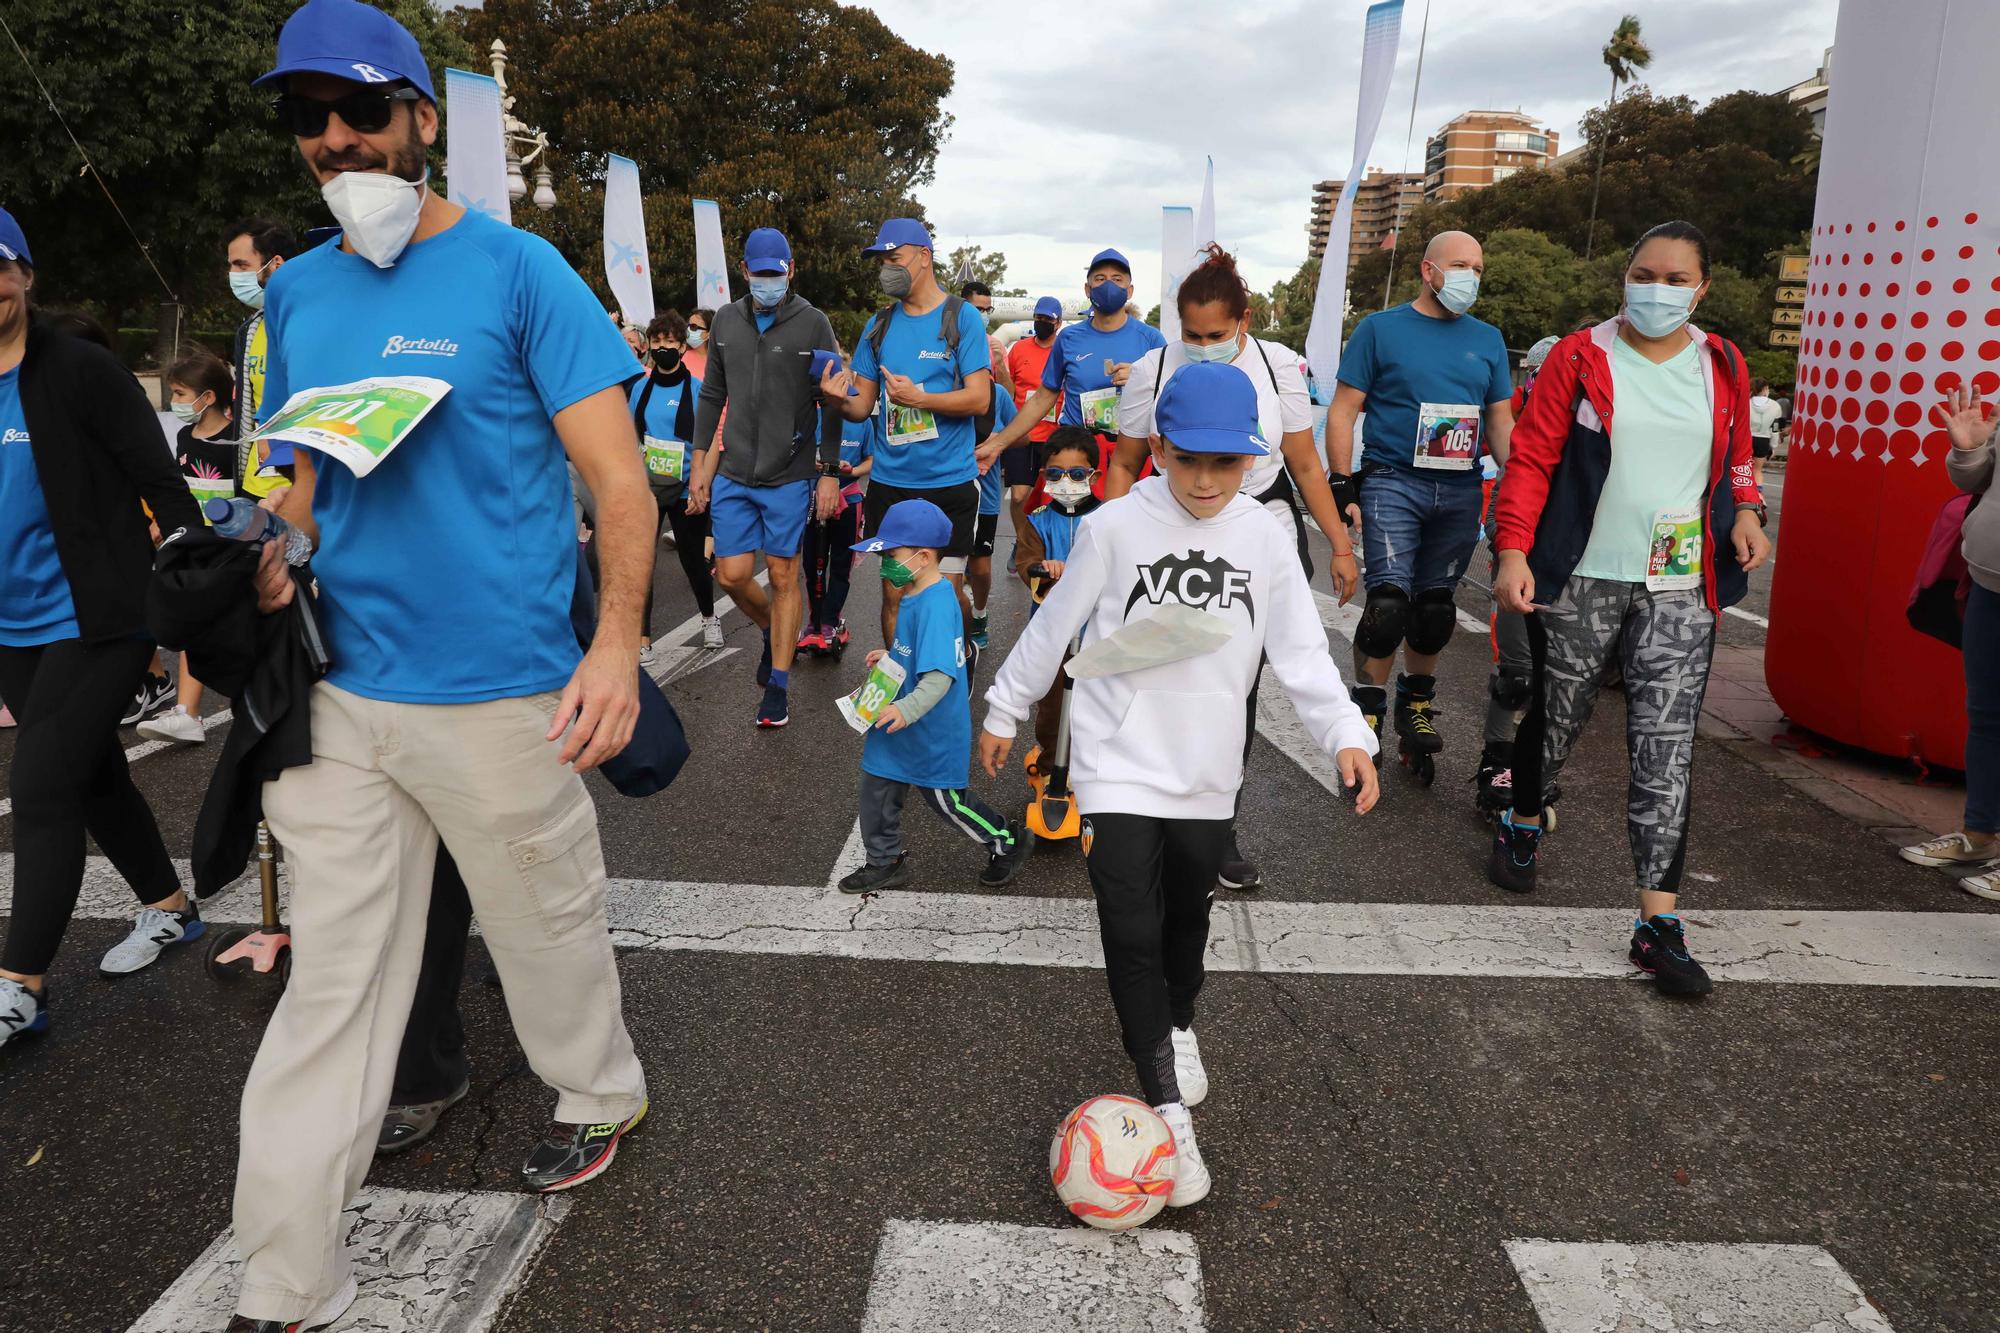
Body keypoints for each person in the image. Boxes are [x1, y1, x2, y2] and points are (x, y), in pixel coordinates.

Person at [230, 5, 652, 1327]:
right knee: (335, 982)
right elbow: (301, 486)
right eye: (310, 118)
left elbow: (617, 482)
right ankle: (284, 1281)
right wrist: (261, 550)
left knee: (545, 930)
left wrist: (621, 645)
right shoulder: (296, 292)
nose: (336, 141)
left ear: (422, 116)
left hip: (504, 691)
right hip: (343, 692)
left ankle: (598, 1087)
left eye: (361, 112)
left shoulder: (525, 272)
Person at [978, 361, 1380, 1207]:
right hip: (1116, 765)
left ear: (1254, 460)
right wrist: (1005, 707)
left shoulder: (1266, 538)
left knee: (1182, 927)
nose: (1204, 478)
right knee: (1129, 931)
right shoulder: (1116, 526)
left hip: (1205, 773)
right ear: (1157, 446)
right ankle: (1166, 1109)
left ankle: (1180, 1022)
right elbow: (1056, 625)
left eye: (1224, 463)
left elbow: (1303, 652)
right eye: (1187, 457)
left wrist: (1347, 732)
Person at [1488, 220, 1771, 998]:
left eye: (1678, 279)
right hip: (1582, 578)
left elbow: (1741, 452)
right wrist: (1513, 550)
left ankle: (1658, 923)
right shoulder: (1582, 355)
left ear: (1703, 287)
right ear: (1624, 278)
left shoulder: (1723, 361)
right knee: (1559, 713)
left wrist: (1748, 512)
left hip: (1681, 586)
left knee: (1666, 746)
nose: (1659, 289)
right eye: (1645, 273)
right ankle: (1521, 817)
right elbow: (1535, 457)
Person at [0, 205, 206, 1037]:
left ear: (23, 275)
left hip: (100, 615)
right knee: (90, 776)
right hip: (12, 624)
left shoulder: (79, 369)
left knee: (42, 785)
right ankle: (169, 905)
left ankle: (20, 987)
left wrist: (187, 588)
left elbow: (162, 482)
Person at [1105, 243, 1358, 892]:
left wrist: (1339, 542)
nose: (1203, 344)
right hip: (1171, 540)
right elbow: (1126, 463)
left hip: (1257, 538)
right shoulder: (1153, 369)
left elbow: (1303, 464)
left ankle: (1215, 825)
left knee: (1233, 691)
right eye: (1192, 334)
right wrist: (1103, 546)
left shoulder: (1277, 369)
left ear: (1244, 320)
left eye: (1217, 334)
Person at [1324, 230, 1516, 768]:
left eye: (1478, 268)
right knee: (1388, 606)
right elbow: (1342, 410)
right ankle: (1367, 710)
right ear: (1428, 271)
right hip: (1394, 480)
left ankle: (1417, 704)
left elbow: (1500, 420)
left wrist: (1521, 478)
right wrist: (1343, 483)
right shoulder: (1380, 329)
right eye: (1459, 266)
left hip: (1459, 485)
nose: (1470, 278)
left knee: (1434, 609)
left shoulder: (1489, 339)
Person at [686, 227, 844, 729]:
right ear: (745, 270)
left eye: (777, 274)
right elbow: (711, 395)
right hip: (734, 470)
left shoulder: (814, 323)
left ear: (791, 270)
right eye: (761, 274)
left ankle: (777, 686)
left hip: (790, 474)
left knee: (782, 577)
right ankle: (772, 631)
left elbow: (833, 400)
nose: (769, 282)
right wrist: (698, 462)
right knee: (731, 575)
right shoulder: (728, 320)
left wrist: (829, 471)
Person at [839, 498, 1034, 895]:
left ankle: (1006, 841)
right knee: (875, 792)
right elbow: (916, 652)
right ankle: (884, 861)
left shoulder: (939, 605)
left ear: (923, 556)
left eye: (891, 554)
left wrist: (905, 708)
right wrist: (891, 656)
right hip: (897, 725)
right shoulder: (916, 593)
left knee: (948, 802)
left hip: (927, 728)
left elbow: (940, 677)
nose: (885, 563)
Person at [824, 218, 993, 645]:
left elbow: (979, 399)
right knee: (894, 593)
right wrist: (832, 397)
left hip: (948, 485)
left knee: (944, 593)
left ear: (923, 257)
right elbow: (861, 407)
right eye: (881, 261)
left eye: (893, 259)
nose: (886, 270)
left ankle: (952, 673)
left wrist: (921, 400)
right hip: (891, 486)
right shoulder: (878, 325)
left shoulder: (962, 317)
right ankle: (901, 686)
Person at [1898, 386, 1999, 898]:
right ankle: (1980, 836)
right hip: (1989, 582)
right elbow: (1977, 480)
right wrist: (1970, 449)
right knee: (1985, 716)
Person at [984, 249, 1167, 495]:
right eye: (1100, 279)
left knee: (1117, 526)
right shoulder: (1069, 338)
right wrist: (998, 443)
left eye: (1117, 279)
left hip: (1129, 453)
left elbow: (1167, 398)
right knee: (1066, 526)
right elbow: (1043, 397)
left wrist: (1141, 377)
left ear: (1130, 290)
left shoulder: (1151, 339)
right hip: (1076, 452)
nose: (1108, 285)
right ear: (1088, 289)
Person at [1476, 332, 1563, 818]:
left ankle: (1538, 770)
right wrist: (1513, 551)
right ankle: (1496, 765)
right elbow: (1497, 515)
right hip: (1524, 574)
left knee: (1561, 686)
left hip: (1576, 580)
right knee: (1517, 680)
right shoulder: (1527, 438)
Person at [138, 351, 242, 745]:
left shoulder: (236, 443)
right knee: (196, 625)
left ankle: (222, 707)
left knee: (228, 629)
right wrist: (159, 528)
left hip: (228, 550)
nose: (175, 402)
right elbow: (179, 492)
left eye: (181, 394)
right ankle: (188, 713)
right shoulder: (184, 437)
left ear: (209, 397)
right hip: (195, 549)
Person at [1010, 427, 1101, 767]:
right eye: (1055, 474)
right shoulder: (1038, 522)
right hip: (1053, 631)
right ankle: (1050, 765)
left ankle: (1090, 762)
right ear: (1044, 476)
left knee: (1096, 699)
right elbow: (1026, 561)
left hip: (1097, 629)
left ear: (1094, 474)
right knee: (1052, 703)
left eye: (1076, 474)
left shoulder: (1107, 519)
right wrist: (1041, 568)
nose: (1066, 481)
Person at [630, 311, 720, 651]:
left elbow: (710, 442)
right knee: (642, 564)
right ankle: (643, 639)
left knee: (693, 562)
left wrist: (702, 485)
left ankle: (710, 618)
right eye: (657, 342)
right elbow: (630, 436)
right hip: (648, 491)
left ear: (683, 347)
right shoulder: (640, 388)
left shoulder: (699, 390)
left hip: (686, 488)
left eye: (670, 341)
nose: (663, 347)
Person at [225, 217, 297, 505]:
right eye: (231, 266)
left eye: (241, 265)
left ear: (276, 264)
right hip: (255, 485)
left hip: (299, 486)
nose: (232, 274)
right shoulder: (250, 330)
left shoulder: (307, 323)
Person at [800, 411, 873, 654]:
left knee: (842, 566)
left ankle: (830, 621)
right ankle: (815, 621)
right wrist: (814, 465)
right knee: (812, 565)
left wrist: (852, 471)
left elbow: (872, 459)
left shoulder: (861, 421)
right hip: (813, 498)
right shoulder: (811, 415)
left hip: (849, 498)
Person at [968, 375, 1019, 650]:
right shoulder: (939, 390)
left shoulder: (997, 394)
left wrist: (1000, 439)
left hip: (983, 496)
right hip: (942, 490)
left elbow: (1023, 436)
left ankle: (979, 613)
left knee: (979, 567)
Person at [1004, 295, 1065, 516]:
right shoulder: (1019, 349)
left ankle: (1036, 543)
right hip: (1022, 434)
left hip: (1053, 436)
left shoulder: (1062, 351)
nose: (1042, 322)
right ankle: (1022, 543)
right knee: (1019, 495)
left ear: (1058, 323)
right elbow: (1008, 390)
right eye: (1038, 317)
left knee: (1046, 498)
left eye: (1048, 319)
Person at [1748, 377, 1781, 491]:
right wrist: (1773, 446)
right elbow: (1775, 429)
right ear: (1765, 388)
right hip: (1763, 439)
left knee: (1741, 469)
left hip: (1746, 439)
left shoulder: (1746, 402)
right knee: (1757, 470)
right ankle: (1758, 497)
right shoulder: (1775, 406)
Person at [683, 307, 714, 380]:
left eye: (693, 327)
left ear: (709, 333)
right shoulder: (684, 358)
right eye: (688, 326)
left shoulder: (721, 359)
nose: (688, 330)